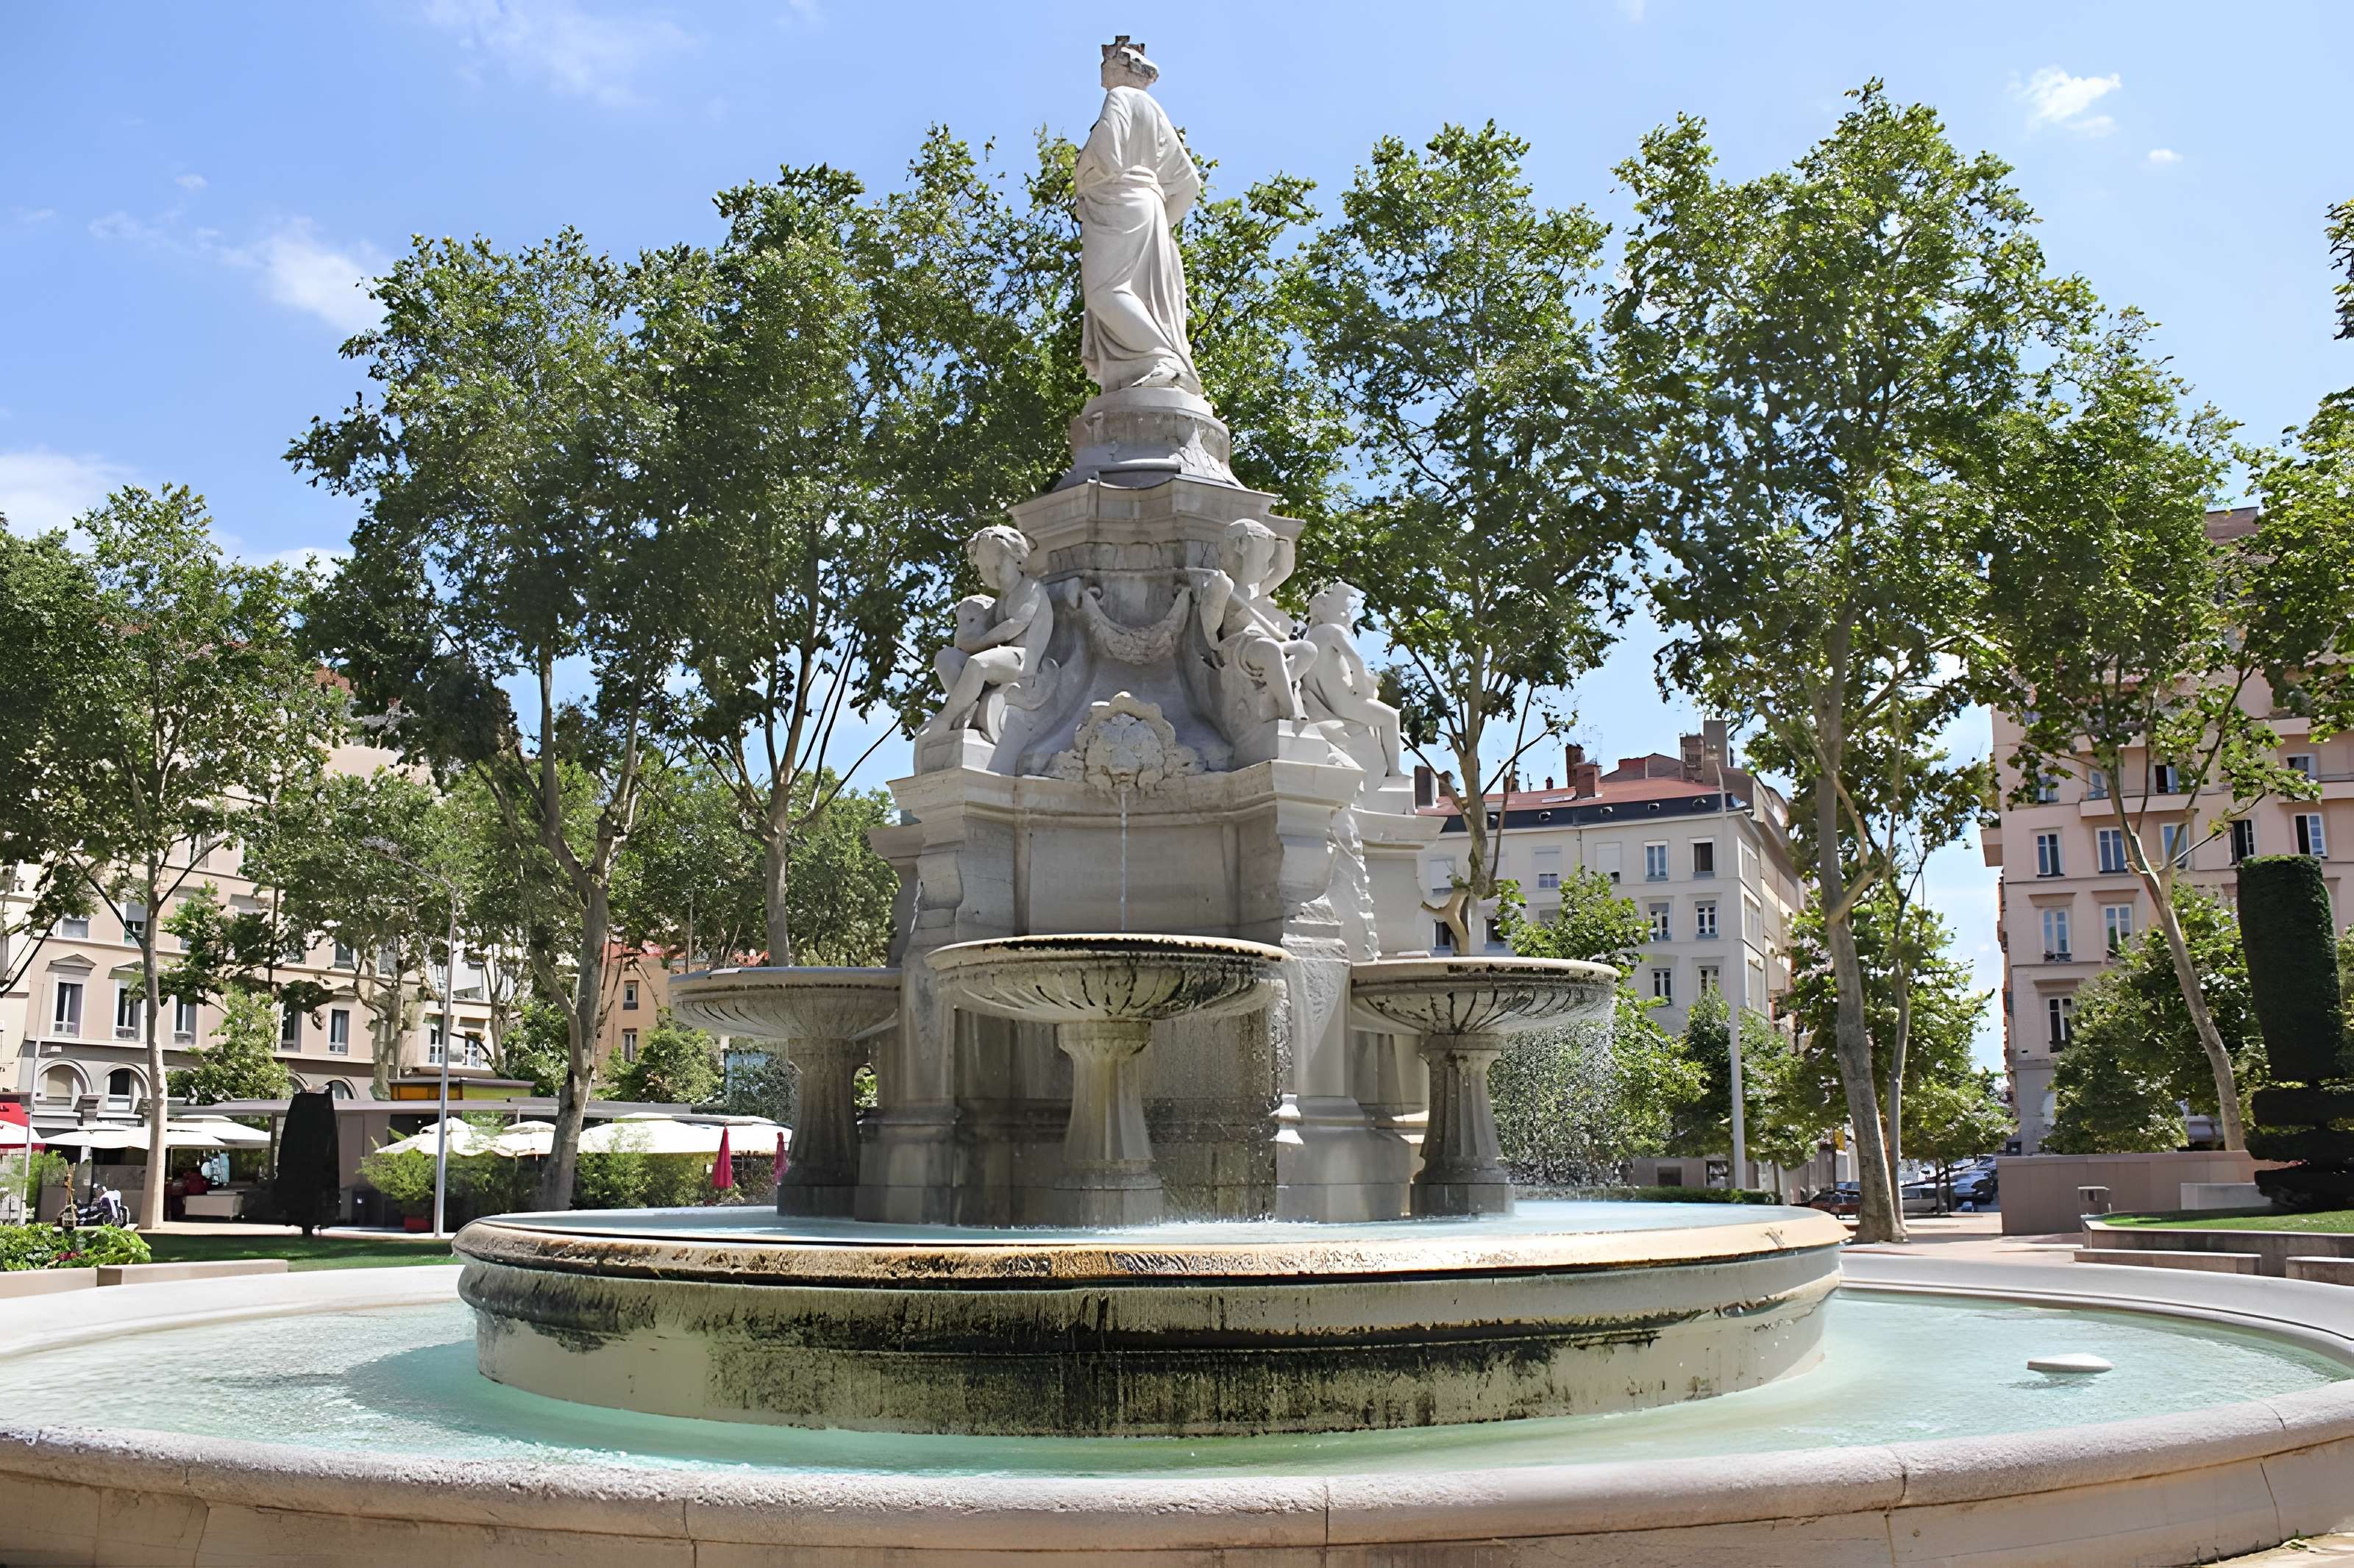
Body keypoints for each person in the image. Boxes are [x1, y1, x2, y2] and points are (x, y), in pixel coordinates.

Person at [1075, 36, 1203, 395]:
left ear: (1122, 66)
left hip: (1116, 201)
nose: (1102, 72)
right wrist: (1163, 227)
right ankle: (1155, 365)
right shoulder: (1154, 110)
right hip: (1150, 207)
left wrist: (1081, 174)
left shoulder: (1120, 98)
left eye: (1106, 63)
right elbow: (1189, 182)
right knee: (1125, 293)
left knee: (1104, 292)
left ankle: (1165, 359)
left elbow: (1106, 155)